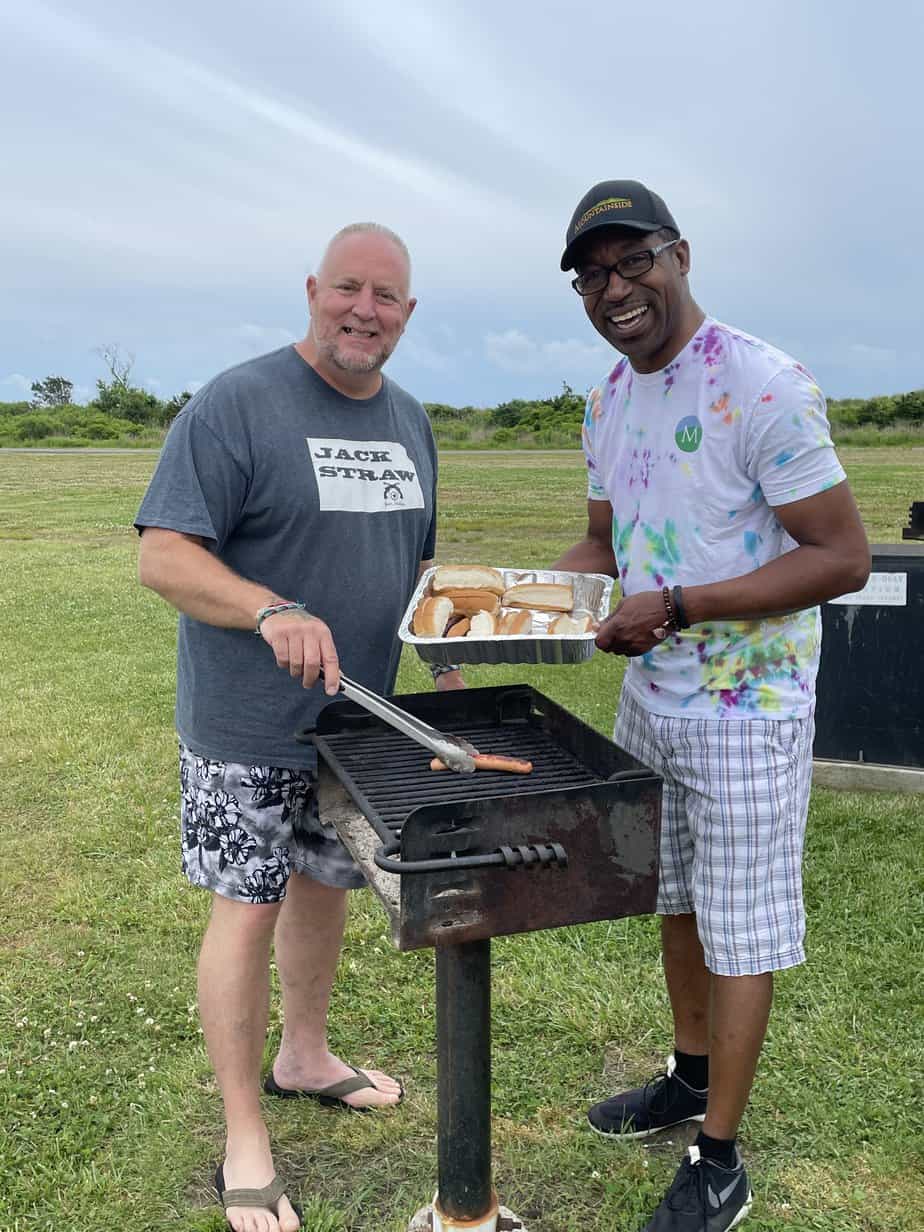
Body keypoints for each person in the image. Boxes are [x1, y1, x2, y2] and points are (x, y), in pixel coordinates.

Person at [554, 181, 870, 1232]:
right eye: (591, 275)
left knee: (742, 931)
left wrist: (681, 605)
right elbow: (602, 543)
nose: (614, 289)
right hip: (654, 696)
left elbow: (842, 557)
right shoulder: (606, 398)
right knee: (678, 899)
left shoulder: (763, 384)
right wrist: (517, 602)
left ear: (679, 255)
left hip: (747, 707)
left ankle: (720, 1157)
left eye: (631, 261)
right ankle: (688, 1076)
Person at [135, 222, 463, 1232]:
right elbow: (163, 555)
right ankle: (245, 1133)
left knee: (325, 883)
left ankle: (305, 1056)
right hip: (248, 727)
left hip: (356, 723)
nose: (365, 310)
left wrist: (447, 658)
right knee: (247, 906)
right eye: (348, 288)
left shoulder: (410, 421)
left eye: (386, 297)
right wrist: (270, 608)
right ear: (314, 290)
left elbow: (417, 565)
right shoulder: (237, 403)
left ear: (408, 314)